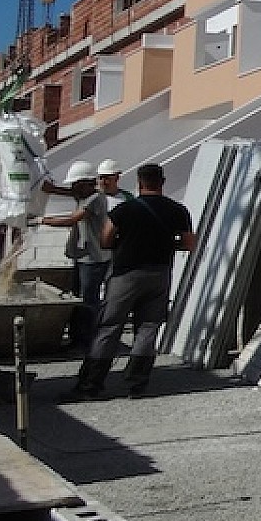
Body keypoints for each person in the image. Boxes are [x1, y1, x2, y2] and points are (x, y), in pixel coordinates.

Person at [67, 162, 196, 400]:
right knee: (148, 327)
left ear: (139, 182)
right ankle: (137, 384)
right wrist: (169, 244)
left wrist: (123, 244)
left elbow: (105, 240)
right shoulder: (178, 210)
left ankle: (91, 384)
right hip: (159, 273)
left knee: (109, 326)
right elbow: (189, 244)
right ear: (162, 182)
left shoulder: (124, 210)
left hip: (125, 275)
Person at [39, 161, 113, 348]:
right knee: (77, 297)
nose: (73, 188)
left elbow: (73, 220)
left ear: (88, 184)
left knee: (88, 300)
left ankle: (88, 338)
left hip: (94, 259)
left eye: (77, 185)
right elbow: (69, 192)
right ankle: (77, 335)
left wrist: (42, 220)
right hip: (82, 256)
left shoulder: (95, 199)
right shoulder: (83, 195)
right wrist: (50, 189)